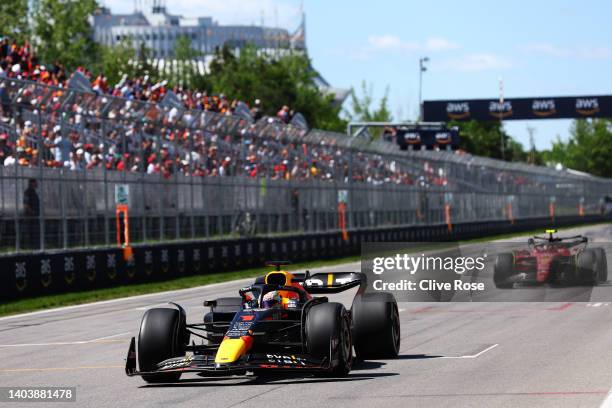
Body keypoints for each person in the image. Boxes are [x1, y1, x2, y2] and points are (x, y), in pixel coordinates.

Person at [23, 178, 40, 249]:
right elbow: (25, 204)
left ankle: (34, 245)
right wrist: (32, 212)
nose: (37, 184)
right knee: (30, 230)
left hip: (34, 215)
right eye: (36, 183)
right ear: (32, 183)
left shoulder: (33, 192)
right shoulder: (28, 192)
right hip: (30, 215)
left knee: (34, 231)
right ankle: (29, 245)